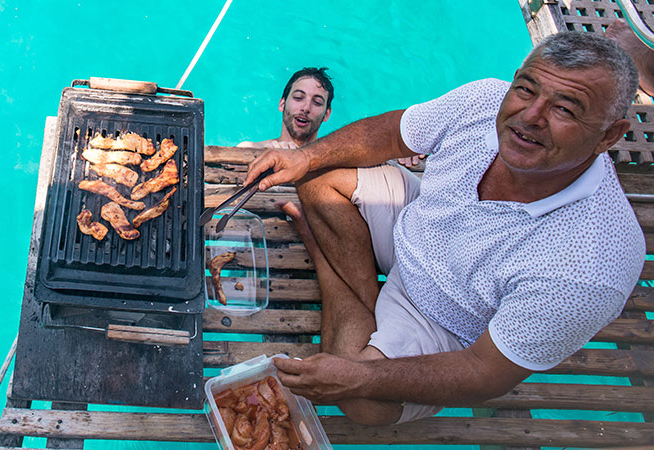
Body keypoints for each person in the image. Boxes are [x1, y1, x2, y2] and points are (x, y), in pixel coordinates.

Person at [244, 32, 645, 425]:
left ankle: (328, 262)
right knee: (318, 171)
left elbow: (485, 373)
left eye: (566, 110)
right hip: (412, 223)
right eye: (526, 89)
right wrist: (307, 156)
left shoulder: (593, 262)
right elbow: (392, 132)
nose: (530, 117)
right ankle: (363, 302)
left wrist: (361, 375)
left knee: (364, 402)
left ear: (609, 136)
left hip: (444, 319)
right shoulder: (486, 100)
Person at [237, 67, 333, 149]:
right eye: (298, 97)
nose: (306, 108)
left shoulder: (333, 165)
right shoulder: (250, 148)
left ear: (326, 114)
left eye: (317, 102)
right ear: (282, 104)